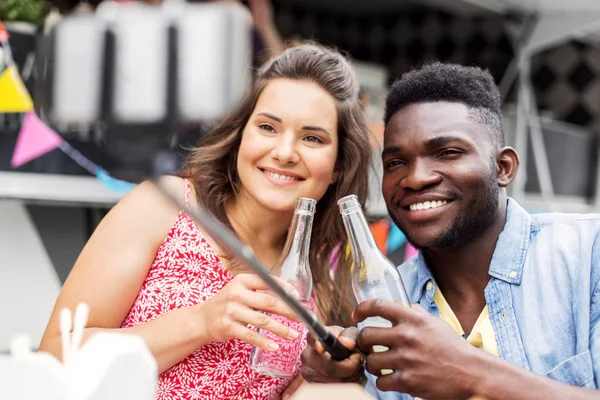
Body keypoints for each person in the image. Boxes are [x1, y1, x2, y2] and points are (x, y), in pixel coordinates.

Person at [39, 43, 373, 400]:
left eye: (312, 138)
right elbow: (56, 355)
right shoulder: (165, 205)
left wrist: (332, 375)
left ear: (338, 165)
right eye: (267, 127)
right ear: (241, 134)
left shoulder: (326, 270)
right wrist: (202, 321)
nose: (284, 152)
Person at [300, 62, 600, 399]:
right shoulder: (390, 304)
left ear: (503, 168)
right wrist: (346, 379)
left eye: (448, 152)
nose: (415, 178)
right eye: (396, 162)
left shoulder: (586, 254)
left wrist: (470, 371)